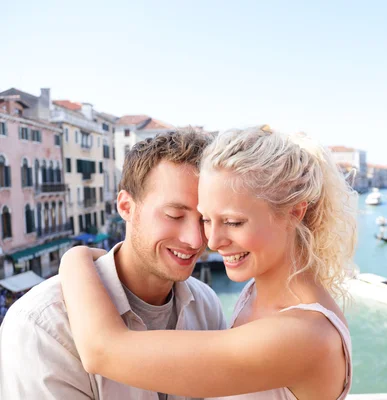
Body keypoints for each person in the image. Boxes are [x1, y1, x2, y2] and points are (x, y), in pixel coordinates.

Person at [59, 126, 357, 399]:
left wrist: (76, 257)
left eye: (233, 222)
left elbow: (102, 351)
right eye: (207, 219)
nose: (211, 242)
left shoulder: (303, 335)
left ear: (295, 211)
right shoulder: (257, 293)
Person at [0, 130, 226, 400]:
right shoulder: (43, 326)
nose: (196, 240)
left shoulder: (207, 305)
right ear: (126, 207)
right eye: (174, 215)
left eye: (205, 219)